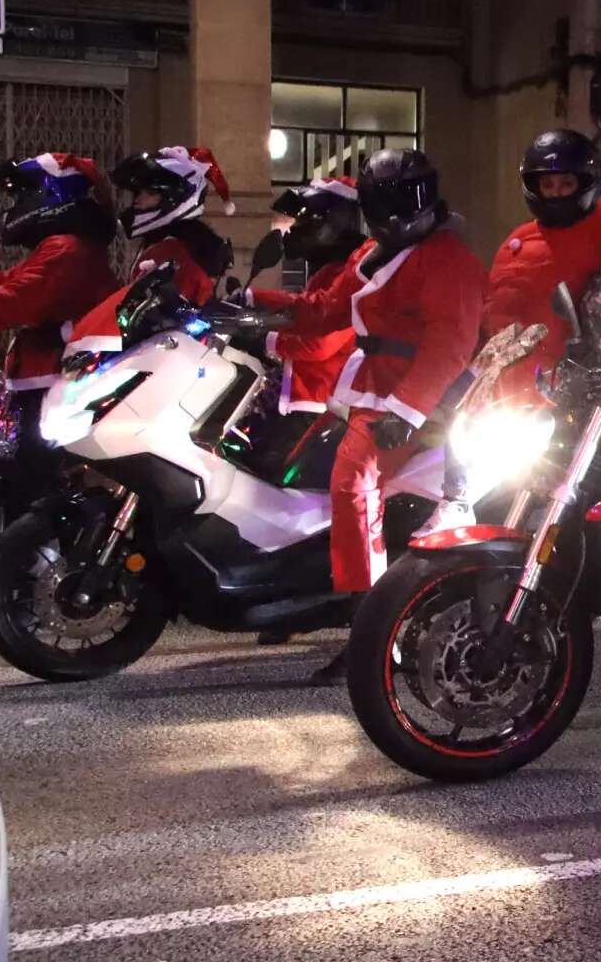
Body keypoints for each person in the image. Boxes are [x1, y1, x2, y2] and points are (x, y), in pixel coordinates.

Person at [255, 148, 485, 682]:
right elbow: (323, 310)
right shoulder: (374, 253)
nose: (386, 217)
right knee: (329, 481)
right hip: (374, 389)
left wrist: (408, 410)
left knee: (351, 485)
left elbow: (448, 346)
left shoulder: (449, 262)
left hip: (425, 401)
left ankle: (373, 623)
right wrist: (251, 304)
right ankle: (356, 609)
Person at [416, 102, 601, 535]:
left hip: (554, 391)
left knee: (552, 498)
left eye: (565, 183)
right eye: (547, 184)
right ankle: (452, 505)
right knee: (453, 436)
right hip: (494, 382)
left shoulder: (596, 235)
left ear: (584, 185)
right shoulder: (517, 238)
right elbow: (493, 305)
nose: (556, 191)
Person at [0, 154, 122, 507]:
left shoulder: (68, 249)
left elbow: (14, 299)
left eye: (24, 195)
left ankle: (32, 557)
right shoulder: (61, 245)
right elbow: (7, 282)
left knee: (33, 487)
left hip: (55, 387)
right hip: (44, 382)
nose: (17, 206)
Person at [63, 146, 236, 356]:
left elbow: (143, 316)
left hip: (166, 362)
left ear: (175, 198)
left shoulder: (170, 251)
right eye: (138, 192)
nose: (138, 200)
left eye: (150, 193)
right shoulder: (171, 244)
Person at [255, 177, 368, 418]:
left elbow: (319, 344)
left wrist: (263, 338)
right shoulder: (328, 271)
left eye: (304, 220)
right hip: (303, 400)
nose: (294, 228)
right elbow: (302, 315)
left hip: (319, 406)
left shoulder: (348, 276)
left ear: (336, 223)